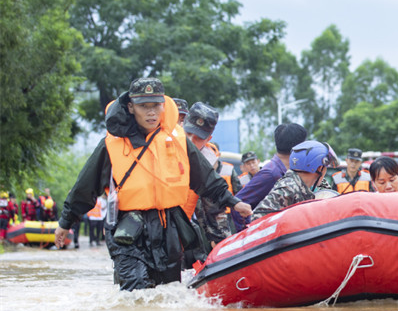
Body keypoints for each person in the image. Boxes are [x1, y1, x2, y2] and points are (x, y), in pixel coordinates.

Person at [54, 77, 252, 290]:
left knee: (167, 293)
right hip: (128, 231)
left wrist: (233, 202)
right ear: (131, 107)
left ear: (163, 105)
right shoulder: (111, 145)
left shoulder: (177, 139)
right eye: (143, 106)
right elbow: (85, 187)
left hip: (168, 228)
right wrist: (65, 223)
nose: (151, 112)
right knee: (136, 292)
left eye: (156, 105)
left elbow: (205, 177)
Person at [182, 102, 241, 248]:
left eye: (198, 138)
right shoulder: (161, 142)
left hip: (179, 228)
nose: (190, 141)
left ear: (208, 139)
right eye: (188, 134)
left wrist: (222, 243)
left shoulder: (207, 163)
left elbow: (211, 206)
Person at [231, 122, 307, 231]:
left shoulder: (284, 171)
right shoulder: (271, 174)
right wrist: (249, 235)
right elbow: (238, 204)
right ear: (297, 148)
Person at [251, 141, 338, 218]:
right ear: (319, 168)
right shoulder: (287, 188)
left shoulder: (317, 185)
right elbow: (257, 220)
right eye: (325, 167)